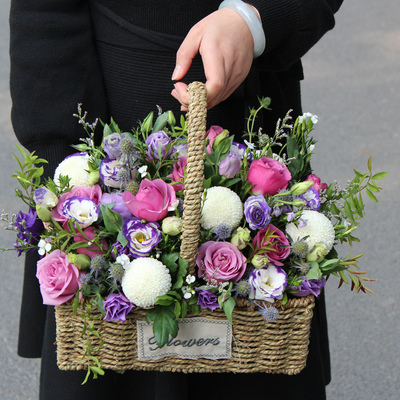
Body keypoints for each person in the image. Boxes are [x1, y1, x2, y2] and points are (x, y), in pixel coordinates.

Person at [9, 0, 343, 399]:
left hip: (252, 127)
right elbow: (46, 14)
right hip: (110, 135)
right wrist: (65, 170)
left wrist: (255, 18)